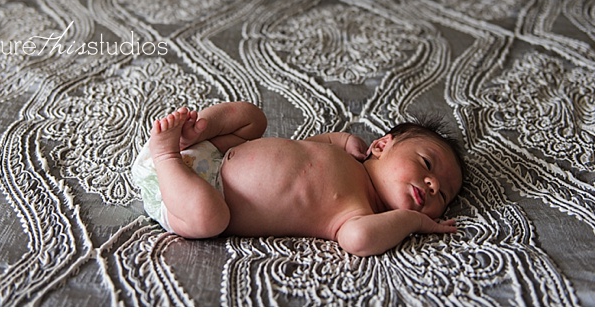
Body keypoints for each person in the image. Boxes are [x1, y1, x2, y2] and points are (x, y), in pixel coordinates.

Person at [131, 101, 464, 257]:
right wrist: (340, 139)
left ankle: (165, 155)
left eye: (444, 196)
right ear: (380, 145)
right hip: (216, 151)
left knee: (210, 218)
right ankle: (195, 130)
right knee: (252, 117)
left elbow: (358, 240)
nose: (433, 185)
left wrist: (411, 221)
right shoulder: (350, 158)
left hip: (191, 194)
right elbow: (309, 147)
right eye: (426, 163)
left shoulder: (358, 212)